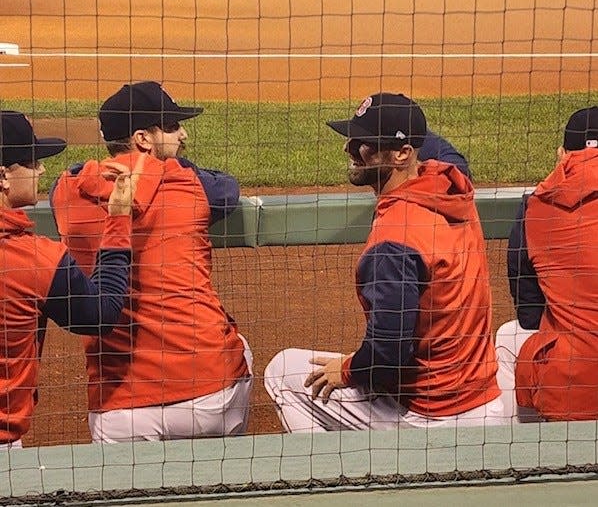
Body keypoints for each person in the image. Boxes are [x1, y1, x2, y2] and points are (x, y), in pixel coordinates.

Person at [264, 92, 504, 431]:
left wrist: (345, 370)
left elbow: (388, 356)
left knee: (283, 371)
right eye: (353, 139)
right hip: (486, 404)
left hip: (431, 419)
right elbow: (445, 153)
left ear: (402, 153)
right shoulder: (451, 188)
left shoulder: (395, 240)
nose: (351, 150)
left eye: (366, 145)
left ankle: (344, 478)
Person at [50, 81, 252, 443]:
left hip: (120, 411)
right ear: (143, 138)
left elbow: (73, 174)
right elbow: (228, 187)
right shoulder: (190, 184)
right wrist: (164, 164)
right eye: (173, 127)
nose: (184, 134)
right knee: (241, 350)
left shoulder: (67, 191)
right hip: (208, 397)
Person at [1, 110, 140, 448]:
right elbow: (101, 314)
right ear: (3, 176)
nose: (42, 169)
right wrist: (118, 220)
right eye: (32, 162)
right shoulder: (33, 259)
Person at [496, 105, 598, 422]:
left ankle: (523, 451)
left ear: (562, 154)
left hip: (574, 391)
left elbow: (529, 314)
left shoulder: (536, 205)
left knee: (509, 338)